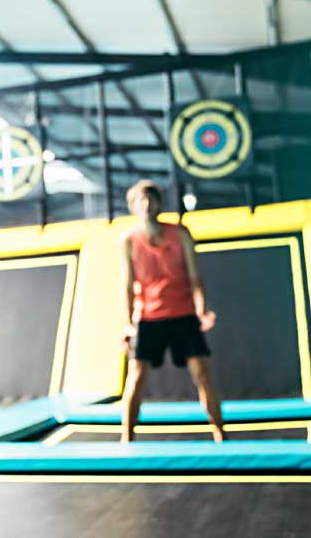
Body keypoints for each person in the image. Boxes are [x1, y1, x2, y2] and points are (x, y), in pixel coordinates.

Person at [120, 180, 224, 443]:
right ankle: (126, 439)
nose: (146, 205)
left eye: (151, 199)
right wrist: (128, 325)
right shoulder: (129, 240)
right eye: (140, 200)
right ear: (133, 206)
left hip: (183, 313)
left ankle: (220, 433)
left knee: (202, 373)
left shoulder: (180, 233)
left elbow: (195, 277)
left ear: (158, 204)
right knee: (136, 377)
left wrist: (201, 310)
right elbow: (128, 285)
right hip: (148, 317)